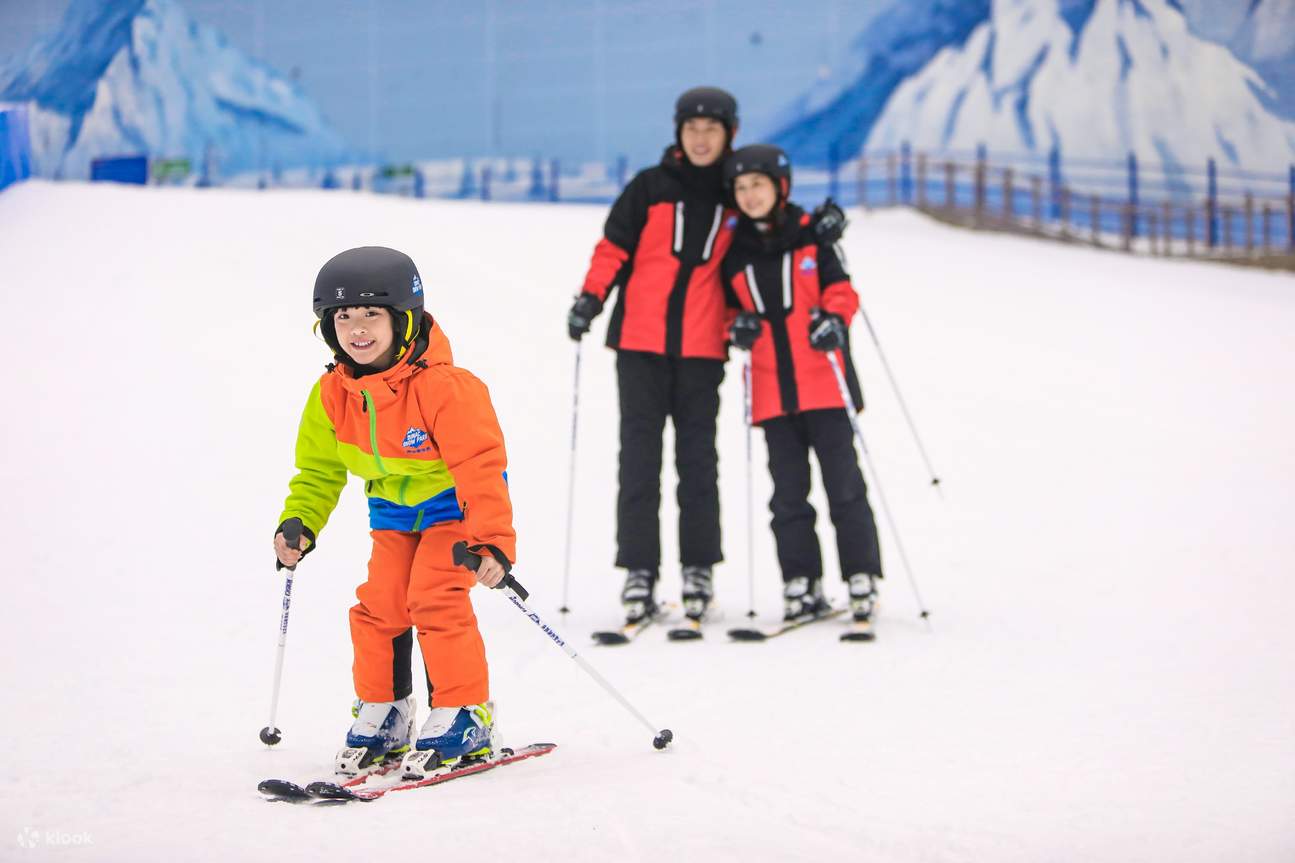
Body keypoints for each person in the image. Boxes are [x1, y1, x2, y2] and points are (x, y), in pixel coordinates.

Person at [273, 246, 516, 770]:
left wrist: (492, 539)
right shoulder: (332, 394)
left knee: (434, 598)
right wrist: (300, 521)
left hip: (452, 511)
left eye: (371, 314)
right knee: (379, 604)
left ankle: (464, 714)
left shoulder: (446, 387)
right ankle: (385, 713)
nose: (356, 329)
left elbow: (481, 466)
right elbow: (319, 470)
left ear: (403, 319)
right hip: (391, 514)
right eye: (343, 316)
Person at [566, 86, 741, 625]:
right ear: (678, 134)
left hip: (702, 350)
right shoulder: (649, 187)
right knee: (638, 462)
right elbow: (613, 248)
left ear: (729, 134)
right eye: (692, 129)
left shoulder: (739, 193)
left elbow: (763, 252)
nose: (702, 138)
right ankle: (639, 571)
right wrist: (591, 297)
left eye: (712, 129)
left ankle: (698, 568)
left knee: (698, 463)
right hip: (639, 346)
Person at [719, 144, 883, 632]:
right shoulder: (735, 254)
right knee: (788, 496)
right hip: (772, 394)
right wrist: (737, 327)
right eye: (742, 188)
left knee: (844, 488)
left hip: (824, 388)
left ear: (780, 187)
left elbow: (842, 290)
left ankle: (861, 576)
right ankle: (800, 582)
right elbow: (728, 311)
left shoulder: (813, 236)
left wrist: (834, 319)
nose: (750, 196)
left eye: (759, 185)